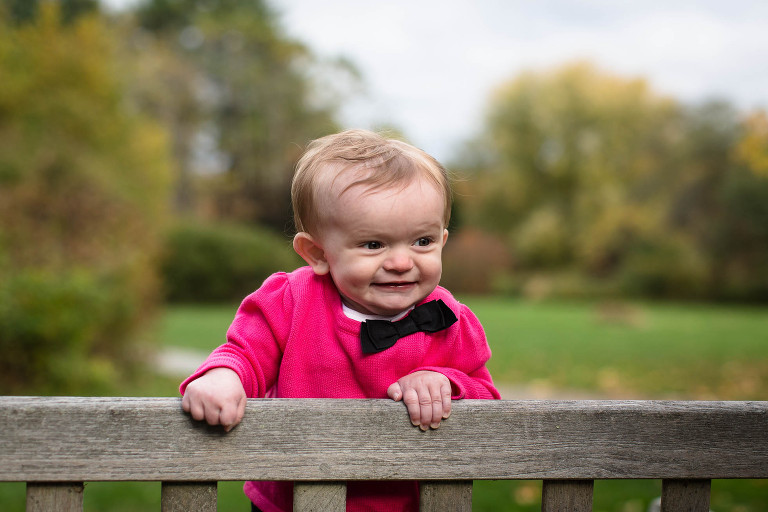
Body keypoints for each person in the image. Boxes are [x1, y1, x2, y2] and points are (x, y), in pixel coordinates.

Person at [180, 129, 500, 512]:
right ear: (317, 253)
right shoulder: (291, 301)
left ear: (443, 240)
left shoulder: (449, 320)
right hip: (290, 504)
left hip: (402, 505)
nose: (401, 262)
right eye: (373, 244)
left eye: (422, 242)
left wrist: (447, 382)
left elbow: (488, 403)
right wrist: (223, 377)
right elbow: (245, 354)